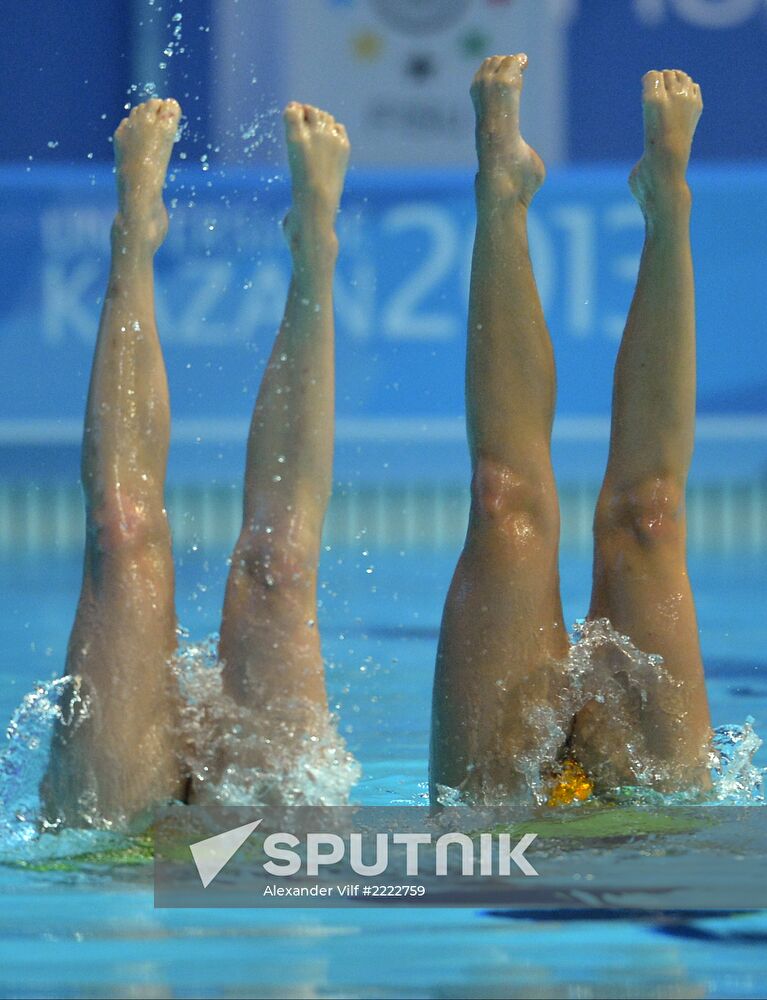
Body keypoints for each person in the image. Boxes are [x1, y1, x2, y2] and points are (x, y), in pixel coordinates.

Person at [41, 98, 350, 827]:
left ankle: (315, 252)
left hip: (253, 878)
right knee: (121, 535)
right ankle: (134, 234)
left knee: (279, 566)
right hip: (116, 873)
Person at [430, 55, 712, 804]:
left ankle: (666, 204)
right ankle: (500, 192)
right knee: (501, 501)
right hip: (512, 847)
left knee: (647, 515)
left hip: (629, 853)